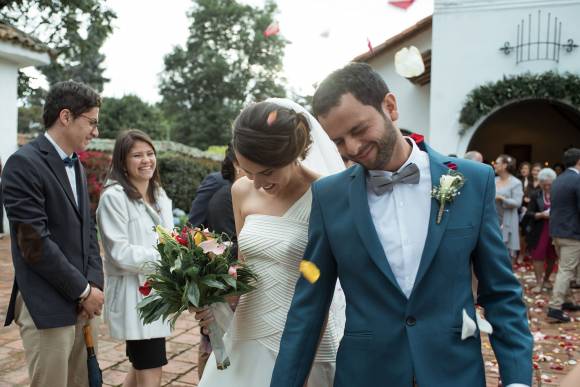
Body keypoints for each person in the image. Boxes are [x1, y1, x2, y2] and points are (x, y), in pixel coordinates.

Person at [271, 63, 532, 387]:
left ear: (390, 107)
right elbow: (308, 304)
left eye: (358, 129)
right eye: (338, 141)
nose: (351, 148)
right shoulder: (328, 196)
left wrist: (517, 380)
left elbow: (501, 295)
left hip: (454, 374)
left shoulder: (472, 182)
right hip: (366, 375)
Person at [196, 98, 345, 387]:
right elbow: (245, 267)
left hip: (305, 338)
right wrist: (214, 297)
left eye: (267, 172)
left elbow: (324, 285)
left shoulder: (325, 195)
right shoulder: (241, 191)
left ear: (294, 154)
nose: (257, 183)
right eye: (248, 171)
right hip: (249, 331)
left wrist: (300, 368)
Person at [1, 80, 104, 386]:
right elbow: (34, 244)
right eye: (92, 122)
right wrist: (83, 291)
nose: (96, 132)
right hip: (46, 305)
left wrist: (94, 285)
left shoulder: (77, 166)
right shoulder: (23, 164)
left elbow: (88, 230)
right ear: (65, 116)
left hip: (83, 303)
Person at [96, 129, 173, 387]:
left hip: (157, 294)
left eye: (150, 153)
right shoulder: (114, 197)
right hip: (134, 297)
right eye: (137, 155)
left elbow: (171, 240)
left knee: (141, 365)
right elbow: (119, 253)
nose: (146, 160)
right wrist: (167, 258)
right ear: (122, 162)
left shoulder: (160, 196)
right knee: (151, 368)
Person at [197, 144, 244, 379]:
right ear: (236, 163)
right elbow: (222, 248)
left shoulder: (243, 192)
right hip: (225, 289)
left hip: (235, 288)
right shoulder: (226, 196)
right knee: (222, 355)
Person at [546, 148, 580, 323]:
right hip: (572, 232)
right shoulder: (577, 179)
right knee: (566, 269)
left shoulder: (558, 179)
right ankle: (555, 307)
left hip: (557, 230)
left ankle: (566, 301)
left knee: (565, 267)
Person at [523, 168, 557, 293]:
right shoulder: (535, 194)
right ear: (541, 183)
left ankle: (546, 279)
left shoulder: (558, 193)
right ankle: (539, 282)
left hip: (554, 229)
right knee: (538, 256)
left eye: (550, 184)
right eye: (545, 184)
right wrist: (540, 215)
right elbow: (529, 213)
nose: (547, 186)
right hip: (539, 229)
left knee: (552, 256)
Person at [494, 154, 524, 263]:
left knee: (506, 252)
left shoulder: (516, 182)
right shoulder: (494, 180)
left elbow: (518, 202)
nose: (494, 165)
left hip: (507, 219)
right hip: (493, 218)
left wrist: (502, 198)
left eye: (497, 163)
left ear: (504, 165)